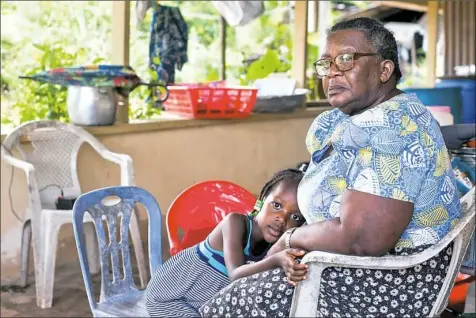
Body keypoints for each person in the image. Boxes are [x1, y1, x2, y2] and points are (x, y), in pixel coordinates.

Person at [200, 17, 461, 317]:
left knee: (232, 302)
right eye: (326, 63)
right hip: (358, 270)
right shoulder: (370, 118)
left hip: (391, 285)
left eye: (347, 59)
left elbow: (362, 239)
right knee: (234, 287)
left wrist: (290, 238)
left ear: (384, 70)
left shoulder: (394, 129)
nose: (333, 71)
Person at [146, 168, 308, 317]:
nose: (282, 218)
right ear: (263, 199)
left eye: (295, 217)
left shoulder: (274, 244)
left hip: (199, 304)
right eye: (277, 205)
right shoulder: (235, 222)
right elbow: (235, 274)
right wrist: (276, 260)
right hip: (169, 297)